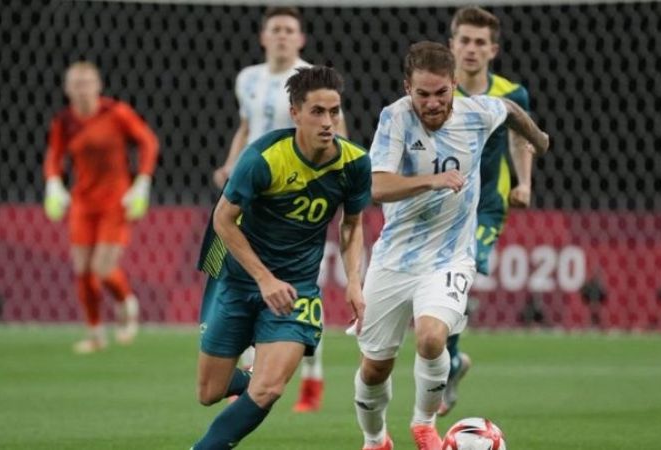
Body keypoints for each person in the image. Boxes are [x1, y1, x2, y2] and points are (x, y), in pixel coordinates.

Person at [353, 41, 548, 450]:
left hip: (449, 258)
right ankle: (375, 440)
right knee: (374, 367)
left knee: (431, 338)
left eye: (441, 92)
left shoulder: (477, 112)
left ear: (454, 85)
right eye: (422, 94)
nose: (433, 103)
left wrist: (539, 137)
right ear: (408, 87)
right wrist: (432, 181)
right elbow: (376, 186)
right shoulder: (395, 119)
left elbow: (510, 111)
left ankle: (424, 426)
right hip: (394, 257)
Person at [193, 66, 370, 450]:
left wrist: (355, 280)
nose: (328, 122)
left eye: (334, 111)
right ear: (295, 113)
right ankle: (249, 375)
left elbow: (352, 225)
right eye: (317, 112)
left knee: (270, 388)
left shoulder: (355, 164)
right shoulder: (262, 157)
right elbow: (223, 220)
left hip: (297, 289)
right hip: (240, 279)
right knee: (209, 392)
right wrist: (263, 278)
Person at [213, 7, 347, 411]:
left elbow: (334, 133)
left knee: (298, 293)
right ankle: (254, 372)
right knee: (246, 280)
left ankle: (312, 379)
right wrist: (231, 164)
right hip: (253, 191)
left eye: (290, 30)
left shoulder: (310, 81)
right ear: (264, 37)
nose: (283, 36)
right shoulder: (247, 79)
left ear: (300, 39)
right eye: (277, 30)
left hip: (294, 197)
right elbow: (245, 125)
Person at [439, 6, 536, 416]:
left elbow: (521, 139)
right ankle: (452, 363)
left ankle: (447, 367)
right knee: (442, 292)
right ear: (452, 45)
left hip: (487, 208)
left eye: (480, 42)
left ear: (493, 49)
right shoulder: (436, 92)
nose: (472, 49)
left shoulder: (511, 94)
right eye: (465, 40)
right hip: (441, 210)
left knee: (463, 271)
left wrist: (524, 181)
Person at [43, 61, 159, 353]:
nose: (82, 89)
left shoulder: (116, 113)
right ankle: (95, 333)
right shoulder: (65, 122)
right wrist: (53, 183)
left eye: (87, 83)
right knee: (82, 270)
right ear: (67, 89)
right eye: (76, 84)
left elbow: (148, 142)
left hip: (115, 200)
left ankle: (126, 301)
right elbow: (54, 156)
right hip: (83, 201)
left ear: (98, 86)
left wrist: (142, 181)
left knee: (103, 268)